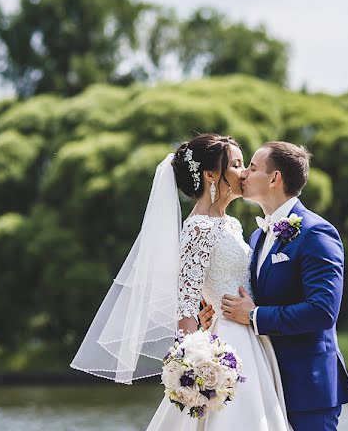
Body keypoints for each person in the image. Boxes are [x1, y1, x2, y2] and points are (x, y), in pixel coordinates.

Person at [72, 133, 291, 430]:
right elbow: (185, 303)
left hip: (251, 336)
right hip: (225, 341)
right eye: (237, 164)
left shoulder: (232, 224)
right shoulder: (198, 228)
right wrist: (197, 365)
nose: (245, 173)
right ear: (211, 175)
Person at [203, 141, 348, 431]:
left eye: (252, 167)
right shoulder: (256, 237)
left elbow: (322, 311)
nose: (244, 175)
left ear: (275, 178)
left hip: (308, 386)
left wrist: (253, 316)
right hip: (262, 383)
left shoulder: (317, 233)